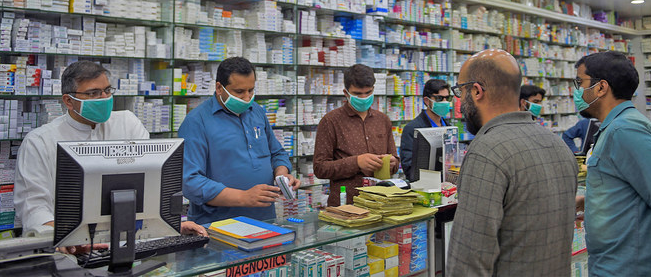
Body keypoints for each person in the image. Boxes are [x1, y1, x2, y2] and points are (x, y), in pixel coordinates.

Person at [447, 49, 578, 276]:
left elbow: (469, 259)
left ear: (476, 91)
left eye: (460, 91)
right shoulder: (557, 145)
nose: (459, 101)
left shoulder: (487, 151)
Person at [14, 61, 151, 236]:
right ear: (69, 101)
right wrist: (66, 240)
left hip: (126, 236)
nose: (104, 98)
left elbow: (151, 182)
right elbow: (33, 207)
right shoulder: (40, 142)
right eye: (93, 93)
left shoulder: (127, 123)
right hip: (66, 246)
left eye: (107, 90)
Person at [179, 57, 299, 225]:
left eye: (251, 90)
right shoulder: (196, 122)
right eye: (239, 91)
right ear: (219, 88)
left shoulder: (256, 111)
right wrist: (243, 197)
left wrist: (282, 175)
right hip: (218, 226)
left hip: (264, 220)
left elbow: (277, 153)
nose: (247, 97)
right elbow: (190, 182)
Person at [572, 51, 651, 276]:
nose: (576, 91)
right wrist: (590, 201)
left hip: (629, 268)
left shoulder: (625, 130)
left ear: (601, 87)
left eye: (580, 82)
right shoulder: (615, 126)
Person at [313, 64, 398, 206]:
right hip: (346, 204)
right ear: (346, 93)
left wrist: (393, 163)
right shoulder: (331, 121)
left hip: (380, 202)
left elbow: (394, 161)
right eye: (358, 94)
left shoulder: (382, 120)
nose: (364, 98)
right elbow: (320, 168)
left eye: (368, 93)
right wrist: (356, 162)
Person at [399, 78, 451, 181]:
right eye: (440, 98)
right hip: (425, 187)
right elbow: (410, 169)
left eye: (447, 98)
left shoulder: (449, 128)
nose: (445, 102)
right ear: (427, 100)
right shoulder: (412, 128)